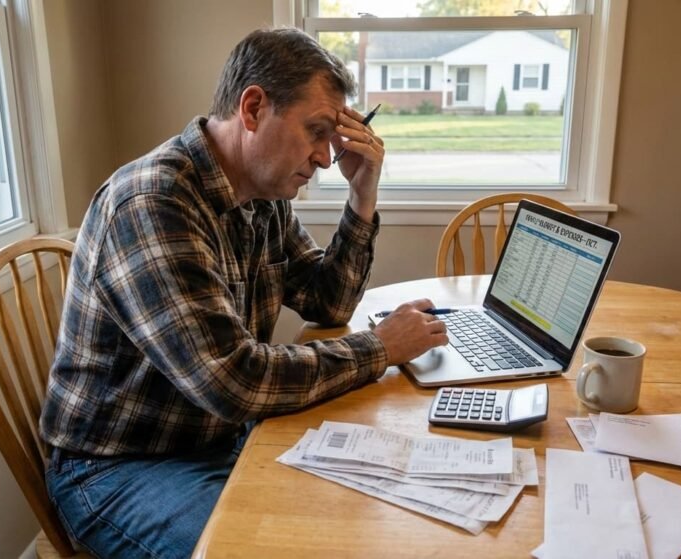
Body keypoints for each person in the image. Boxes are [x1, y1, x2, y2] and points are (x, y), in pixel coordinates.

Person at [40, 27, 448, 559]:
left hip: (218, 438)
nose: (327, 158)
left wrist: (362, 193)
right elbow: (234, 383)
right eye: (316, 131)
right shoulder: (153, 204)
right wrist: (382, 348)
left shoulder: (262, 194)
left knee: (369, 516)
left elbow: (328, 303)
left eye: (336, 137)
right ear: (253, 108)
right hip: (118, 466)